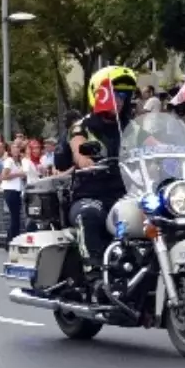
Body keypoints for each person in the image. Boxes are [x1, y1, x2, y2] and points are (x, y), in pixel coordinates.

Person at [68, 66, 136, 290]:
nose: (120, 100)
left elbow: (154, 145)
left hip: (125, 193)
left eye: (124, 96)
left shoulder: (131, 126)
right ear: (99, 94)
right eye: (115, 94)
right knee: (88, 215)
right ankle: (94, 274)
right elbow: (77, 145)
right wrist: (84, 159)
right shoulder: (83, 125)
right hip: (92, 192)